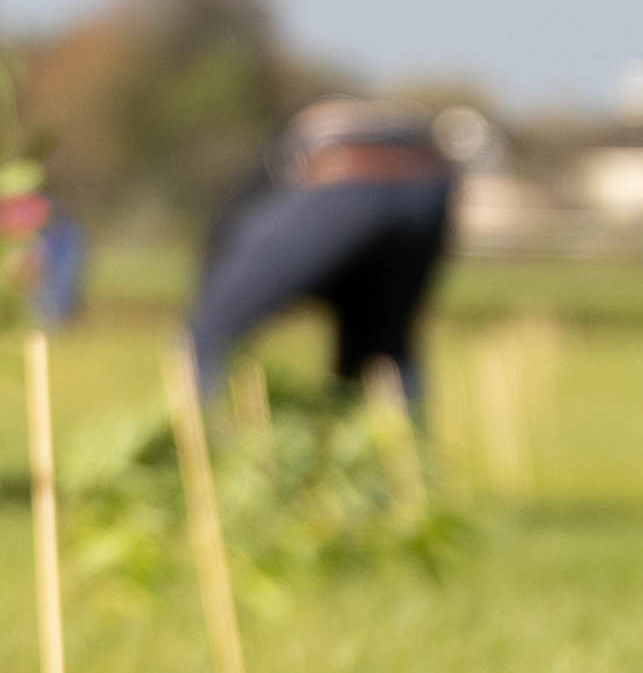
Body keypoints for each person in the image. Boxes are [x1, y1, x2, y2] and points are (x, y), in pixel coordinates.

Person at [186, 98, 460, 441]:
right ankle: (403, 471)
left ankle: (215, 453)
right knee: (384, 347)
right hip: (431, 180)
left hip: (340, 171)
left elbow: (230, 258)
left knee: (209, 333)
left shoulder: (254, 195)